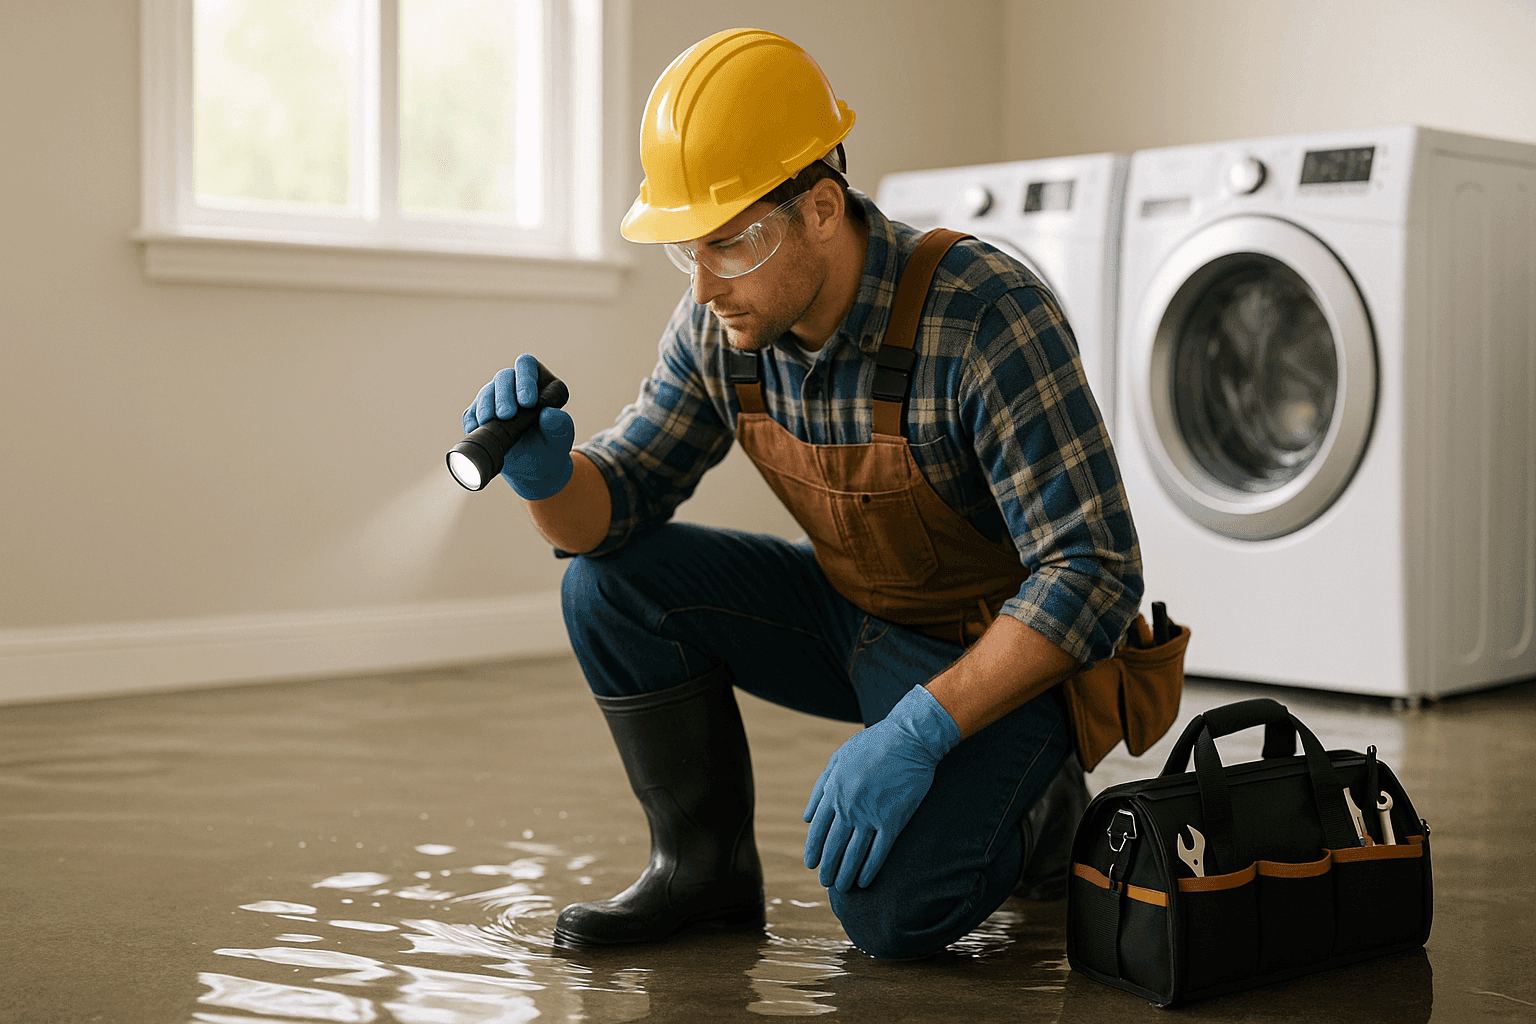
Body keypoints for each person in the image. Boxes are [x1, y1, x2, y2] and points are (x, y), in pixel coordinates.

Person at [461, 28, 1143, 960]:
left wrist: (916, 730)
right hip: (849, 617)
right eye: (685, 251)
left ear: (821, 208)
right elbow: (613, 503)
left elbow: (1096, 572)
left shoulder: (983, 314)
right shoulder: (720, 327)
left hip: (993, 658)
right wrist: (548, 480)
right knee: (606, 582)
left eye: (728, 245)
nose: (703, 286)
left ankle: (1045, 812)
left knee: (890, 916)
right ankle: (700, 874)